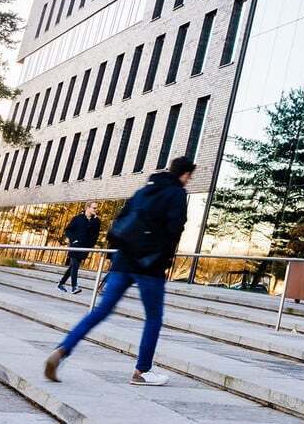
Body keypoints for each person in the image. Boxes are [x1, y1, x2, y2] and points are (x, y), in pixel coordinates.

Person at [44, 156, 195, 387]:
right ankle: (142, 371)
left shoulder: (144, 190)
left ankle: (63, 349)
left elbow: (121, 221)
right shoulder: (176, 194)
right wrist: (163, 259)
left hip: (123, 260)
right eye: (189, 176)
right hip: (150, 265)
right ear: (184, 174)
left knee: (101, 310)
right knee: (153, 318)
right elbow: (175, 230)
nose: (188, 180)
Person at [57, 202, 101, 294]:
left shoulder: (96, 221)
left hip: (85, 247)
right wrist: (74, 240)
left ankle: (61, 283)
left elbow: (95, 235)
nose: (96, 210)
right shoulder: (78, 218)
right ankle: (74, 287)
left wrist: (91, 245)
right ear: (87, 208)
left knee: (73, 266)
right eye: (94, 208)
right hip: (75, 246)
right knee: (75, 265)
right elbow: (68, 230)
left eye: (97, 208)